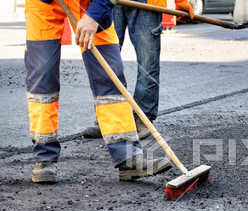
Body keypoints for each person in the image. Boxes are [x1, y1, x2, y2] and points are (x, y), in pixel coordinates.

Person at [26, 0, 171, 183]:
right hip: (43, 5)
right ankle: (44, 158)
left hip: (91, 2)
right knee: (42, 76)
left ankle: (128, 157)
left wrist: (94, 15)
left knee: (110, 74)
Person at [82, 0, 194, 139]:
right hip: (109, 2)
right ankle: (108, 119)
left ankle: (143, 118)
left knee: (147, 63)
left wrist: (180, 1)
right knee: (105, 62)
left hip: (146, 2)